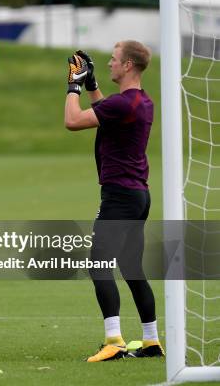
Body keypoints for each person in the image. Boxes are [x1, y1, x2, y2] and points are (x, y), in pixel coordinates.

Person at [63, 41, 164, 362]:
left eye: (114, 60)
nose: (109, 64)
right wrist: (92, 85)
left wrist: (73, 86)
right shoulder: (139, 101)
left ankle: (114, 341)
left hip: (119, 196)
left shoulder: (123, 104)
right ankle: (151, 341)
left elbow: (73, 121)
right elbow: (108, 111)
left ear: (129, 66)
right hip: (137, 195)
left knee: (98, 265)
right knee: (132, 267)